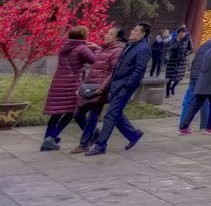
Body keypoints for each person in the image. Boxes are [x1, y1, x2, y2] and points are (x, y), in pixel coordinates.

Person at [85, 23, 151, 155]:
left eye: (136, 30)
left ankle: (100, 145)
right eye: (133, 29)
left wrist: (127, 85)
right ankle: (133, 135)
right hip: (116, 84)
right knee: (116, 113)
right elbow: (118, 66)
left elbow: (139, 70)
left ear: (143, 34)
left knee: (111, 114)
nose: (132, 32)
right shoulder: (130, 45)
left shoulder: (143, 48)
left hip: (125, 86)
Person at [39, 25, 96, 151]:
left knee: (56, 113)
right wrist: (96, 49)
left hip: (58, 82)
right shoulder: (82, 48)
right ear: (82, 36)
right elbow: (96, 61)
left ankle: (46, 141)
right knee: (71, 112)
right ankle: (51, 137)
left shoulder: (64, 47)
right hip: (71, 84)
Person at [71, 26, 124, 154]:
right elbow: (94, 69)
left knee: (92, 117)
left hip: (100, 88)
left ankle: (84, 144)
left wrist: (102, 88)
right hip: (90, 86)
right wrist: (81, 86)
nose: (107, 35)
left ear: (118, 38)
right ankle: (95, 135)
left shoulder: (118, 51)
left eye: (111, 34)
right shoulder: (104, 48)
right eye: (107, 33)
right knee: (78, 115)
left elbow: (113, 72)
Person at [163, 25, 191, 98]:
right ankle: (167, 93)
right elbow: (170, 48)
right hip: (172, 60)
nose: (182, 34)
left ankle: (172, 88)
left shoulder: (187, 39)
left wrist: (186, 53)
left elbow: (191, 49)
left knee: (179, 77)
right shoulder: (174, 39)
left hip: (182, 61)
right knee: (169, 78)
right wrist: (177, 42)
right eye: (181, 33)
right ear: (178, 33)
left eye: (184, 33)